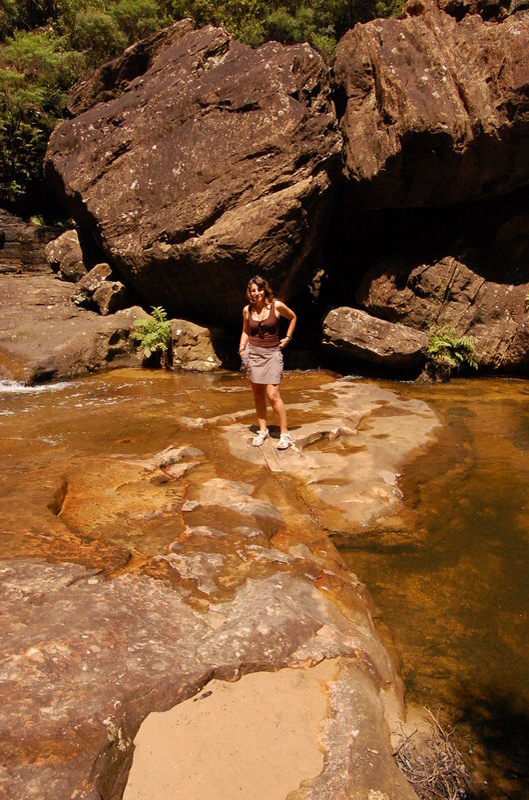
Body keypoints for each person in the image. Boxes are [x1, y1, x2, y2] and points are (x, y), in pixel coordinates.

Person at [239, 276, 297, 450]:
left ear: (265, 290)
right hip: (254, 354)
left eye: (259, 289)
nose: (256, 293)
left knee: (273, 395)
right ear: (249, 293)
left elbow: (293, 317)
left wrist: (288, 338)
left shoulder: (276, 306)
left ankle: (284, 434)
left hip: (272, 354)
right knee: (258, 394)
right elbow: (246, 331)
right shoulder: (247, 310)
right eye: (253, 290)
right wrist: (242, 349)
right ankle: (263, 430)